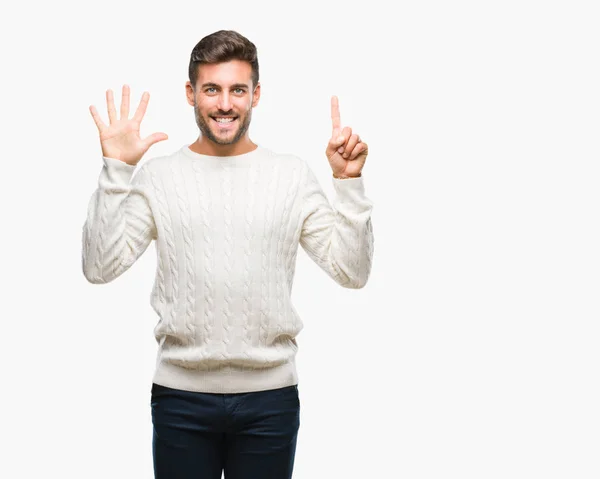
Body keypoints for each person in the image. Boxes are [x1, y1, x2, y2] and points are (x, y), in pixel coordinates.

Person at [82, 29, 374, 479]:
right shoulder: (160, 177)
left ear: (256, 95)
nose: (224, 104)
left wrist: (349, 185)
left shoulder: (290, 176)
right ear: (191, 94)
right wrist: (117, 170)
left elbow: (352, 273)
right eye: (212, 89)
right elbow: (99, 267)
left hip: (270, 402)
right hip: (180, 400)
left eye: (237, 89)